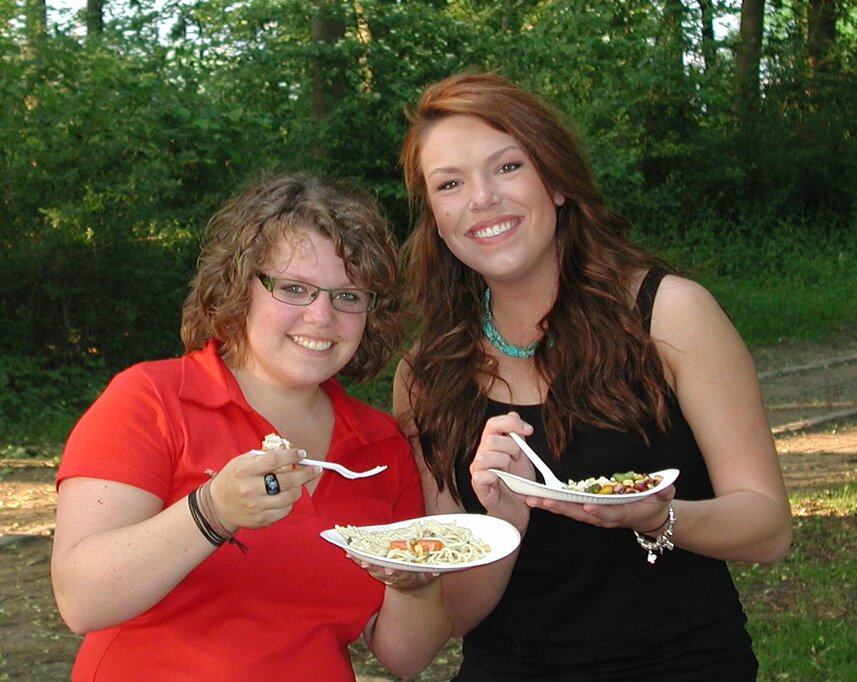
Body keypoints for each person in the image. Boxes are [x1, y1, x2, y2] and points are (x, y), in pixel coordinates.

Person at [393, 71, 792, 680]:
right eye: (450, 183)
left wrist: (658, 516)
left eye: (506, 167)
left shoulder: (668, 314)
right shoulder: (426, 374)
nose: (481, 199)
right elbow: (458, 615)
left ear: (555, 182)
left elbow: (767, 530)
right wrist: (502, 525)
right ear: (437, 219)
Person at [51, 172, 452, 681]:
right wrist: (211, 510)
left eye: (348, 295)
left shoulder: (379, 446)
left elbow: (406, 656)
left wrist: (416, 583)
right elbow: (81, 600)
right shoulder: (151, 399)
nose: (321, 316)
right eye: (294, 288)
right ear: (240, 286)